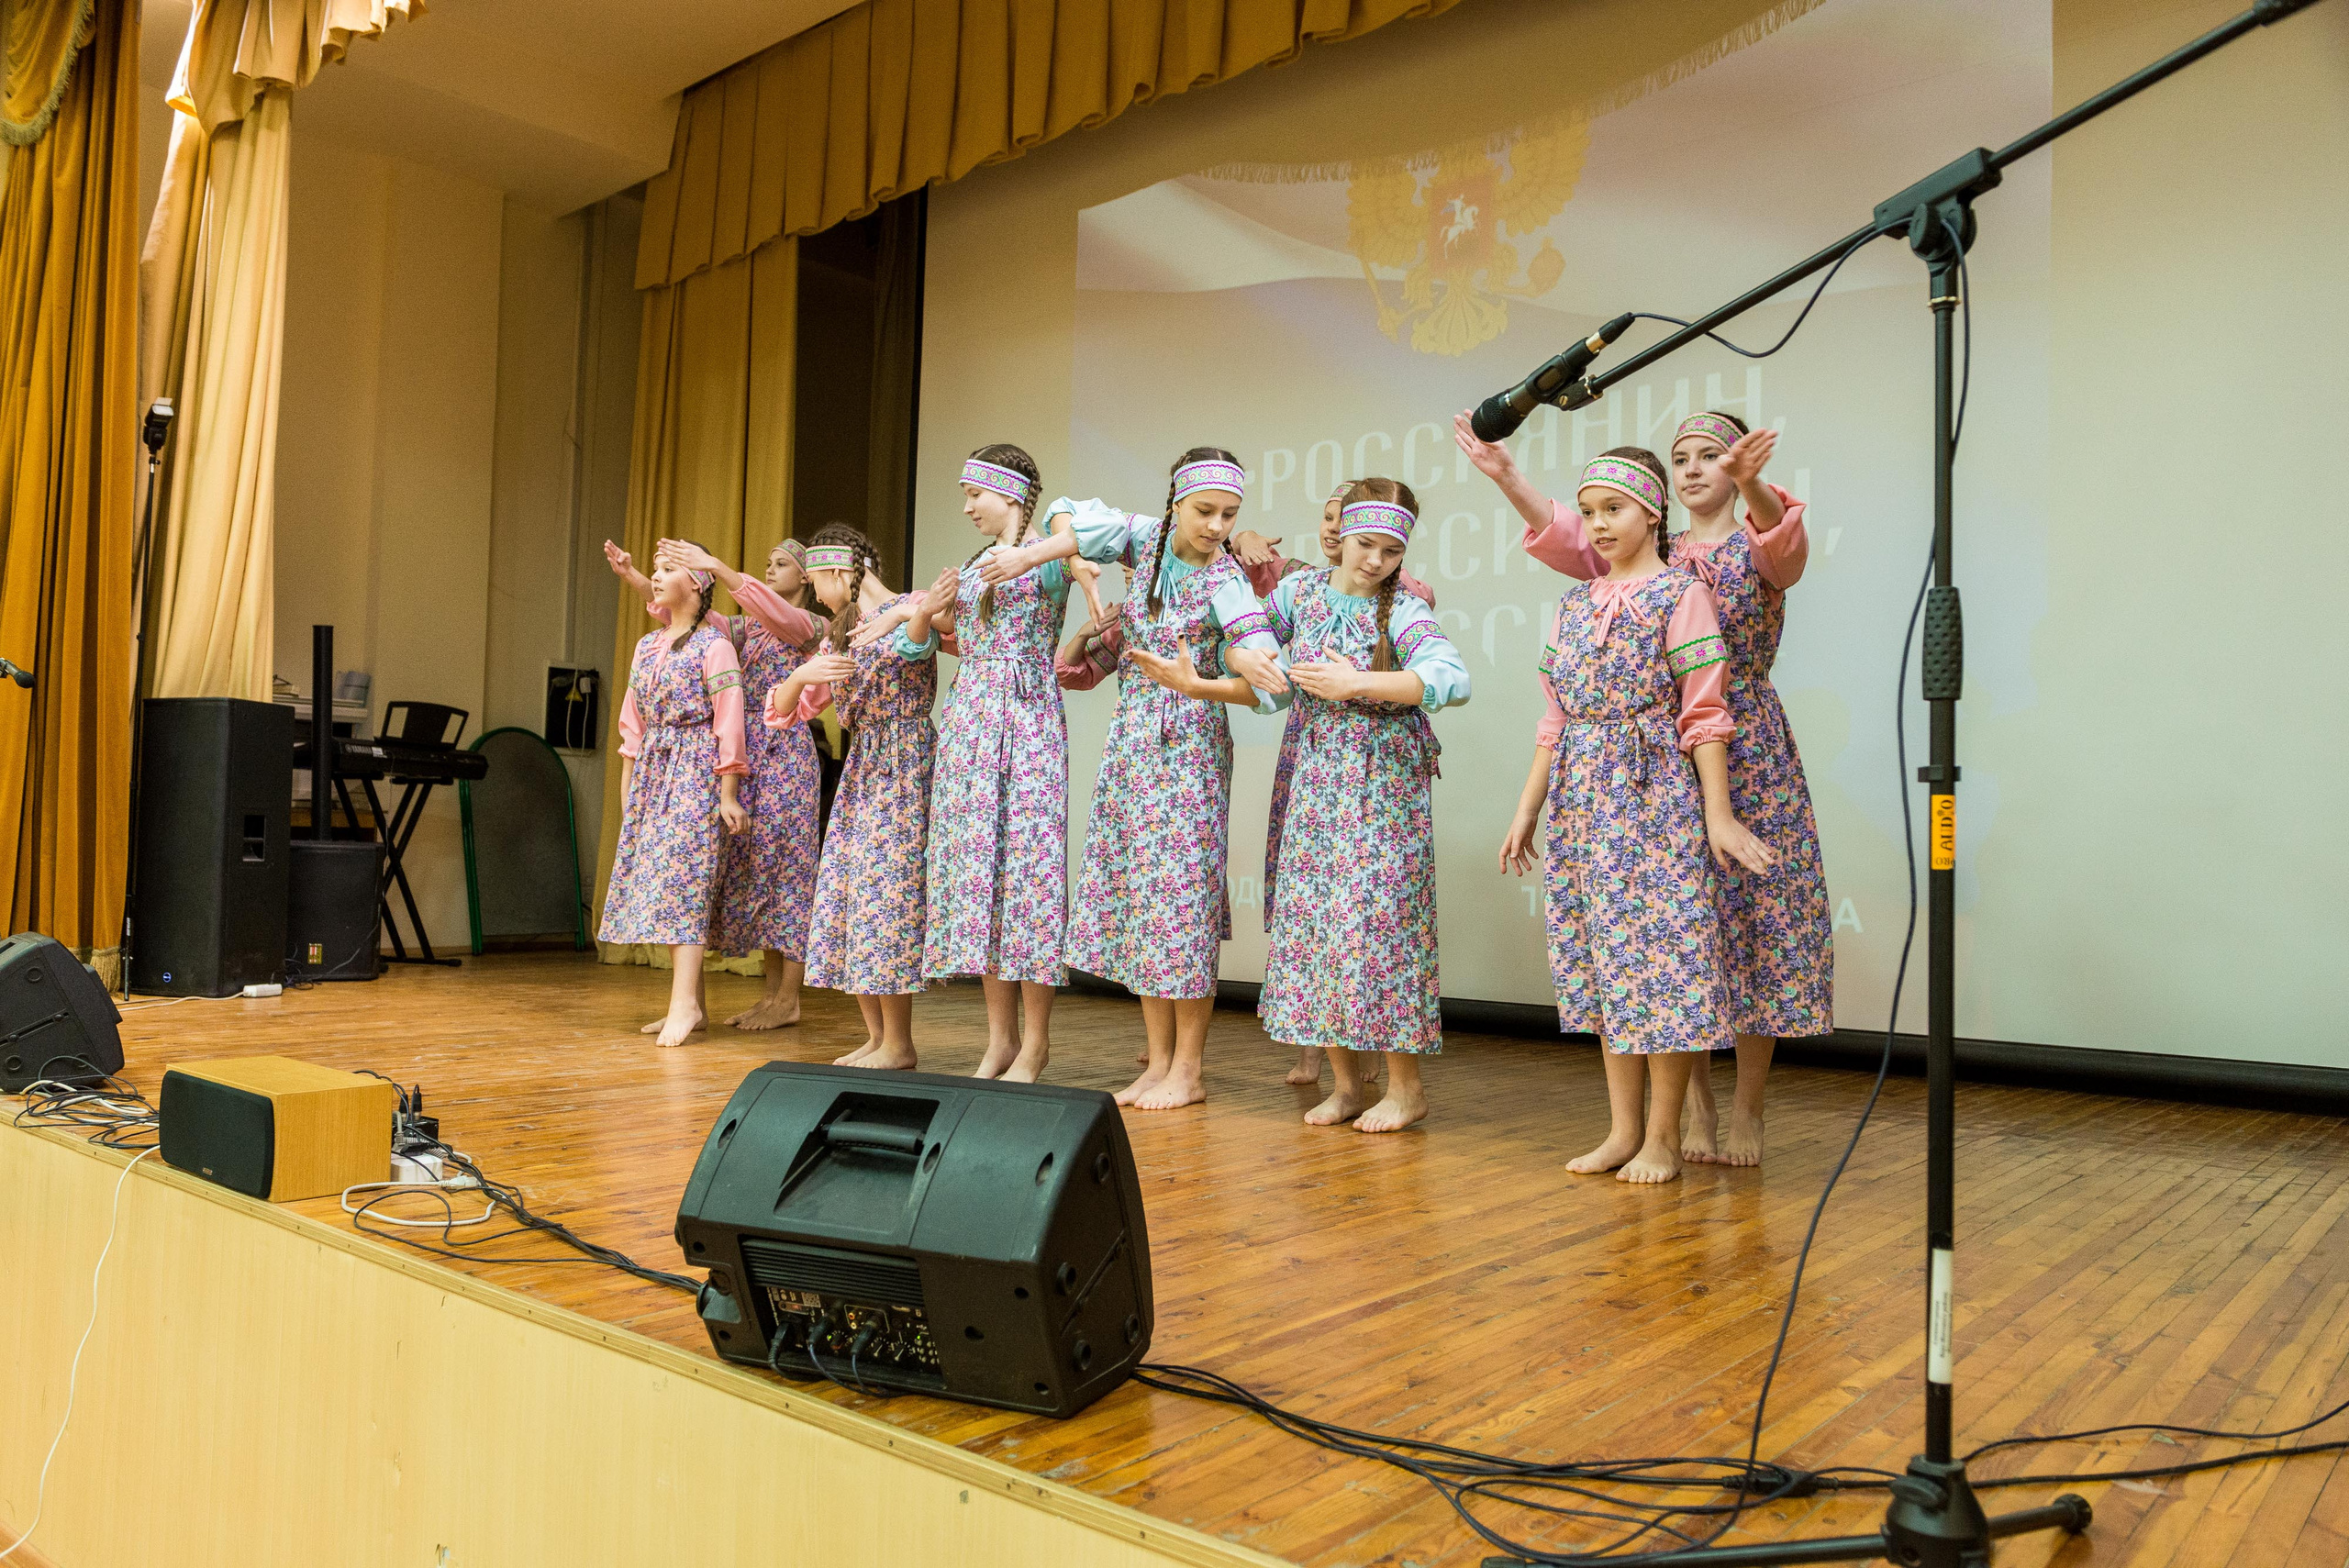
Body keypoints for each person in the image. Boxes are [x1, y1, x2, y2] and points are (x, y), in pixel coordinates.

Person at [1459, 411, 1831, 1166]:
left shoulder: (1752, 543)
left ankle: (1747, 1111)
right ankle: (1683, 1117)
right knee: (1669, 945)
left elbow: (1780, 548)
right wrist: (1508, 477)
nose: (1695, 468)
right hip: (1642, 761)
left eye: (1711, 457)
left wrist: (1754, 480)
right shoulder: (1627, 572)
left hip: (1739, 747)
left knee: (1748, 935)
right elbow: (1580, 531)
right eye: (1681, 457)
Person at [1496, 450, 1776, 1184]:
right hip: (1585, 803)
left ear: (1652, 512)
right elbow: (1554, 717)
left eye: (1612, 509)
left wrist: (1718, 813)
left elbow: (1705, 714)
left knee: (1667, 965)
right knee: (1608, 966)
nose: (1597, 523)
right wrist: (1528, 807)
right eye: (1587, 512)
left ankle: (1662, 1136)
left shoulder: (1681, 593)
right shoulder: (1573, 604)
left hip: (1656, 797)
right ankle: (1621, 1130)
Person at [1006, 448, 1286, 1110]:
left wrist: (1205, 680)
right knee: (1143, 908)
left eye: (1229, 514)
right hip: (1132, 749)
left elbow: (1265, 689)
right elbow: (1069, 511)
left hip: (1189, 755)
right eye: (1205, 511)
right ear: (1175, 504)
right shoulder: (1146, 543)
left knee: (1180, 910)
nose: (1217, 526)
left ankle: (1188, 1068)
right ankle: (1157, 1062)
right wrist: (1040, 555)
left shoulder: (1228, 583)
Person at [1254, 481, 1469, 1132]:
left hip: (1384, 787)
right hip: (1318, 780)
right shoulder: (1299, 593)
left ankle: (1405, 1089)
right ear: (1340, 534)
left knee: (1382, 931)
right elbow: (1249, 638)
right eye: (1365, 544)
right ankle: (1346, 1085)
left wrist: (1356, 682)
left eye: (1390, 549)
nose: (1374, 560)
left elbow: (1450, 676)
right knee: (1318, 928)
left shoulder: (1402, 607)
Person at [863, 446, 1072, 1083]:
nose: (966, 506)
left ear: (1008, 493)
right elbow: (933, 638)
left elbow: (1081, 543)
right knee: (981, 881)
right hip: (971, 725)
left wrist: (1041, 549)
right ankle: (999, 1040)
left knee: (1028, 882)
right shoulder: (977, 563)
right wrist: (923, 608)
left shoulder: (1048, 553)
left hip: (1027, 722)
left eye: (974, 493)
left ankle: (1035, 1043)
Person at [609, 537, 825, 1031]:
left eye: (782, 563)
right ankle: (764, 998)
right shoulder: (743, 631)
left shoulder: (813, 626)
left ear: (808, 577)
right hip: (737, 752)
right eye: (767, 563)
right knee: (751, 875)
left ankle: (787, 998)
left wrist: (715, 567)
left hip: (783, 753)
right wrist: (638, 579)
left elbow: (774, 615)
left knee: (786, 874)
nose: (770, 569)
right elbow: (685, 615)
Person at [769, 524, 937, 1070]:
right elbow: (784, 708)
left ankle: (899, 1042)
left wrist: (896, 618)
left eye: (818, 579)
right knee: (852, 896)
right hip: (864, 766)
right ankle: (875, 1035)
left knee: (888, 898)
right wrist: (802, 674)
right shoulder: (837, 635)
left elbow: (927, 635)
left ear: (841, 571)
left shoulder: (909, 607)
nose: (816, 592)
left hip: (904, 762)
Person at [596, 550, 750, 1049]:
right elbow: (632, 726)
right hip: (654, 772)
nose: (656, 578)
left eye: (666, 570)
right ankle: (692, 1004)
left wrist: (728, 790)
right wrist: (629, 792)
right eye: (655, 570)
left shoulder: (715, 646)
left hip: (696, 768)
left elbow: (729, 719)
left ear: (698, 584)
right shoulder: (647, 645)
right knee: (662, 881)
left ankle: (683, 1002)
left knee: (684, 881)